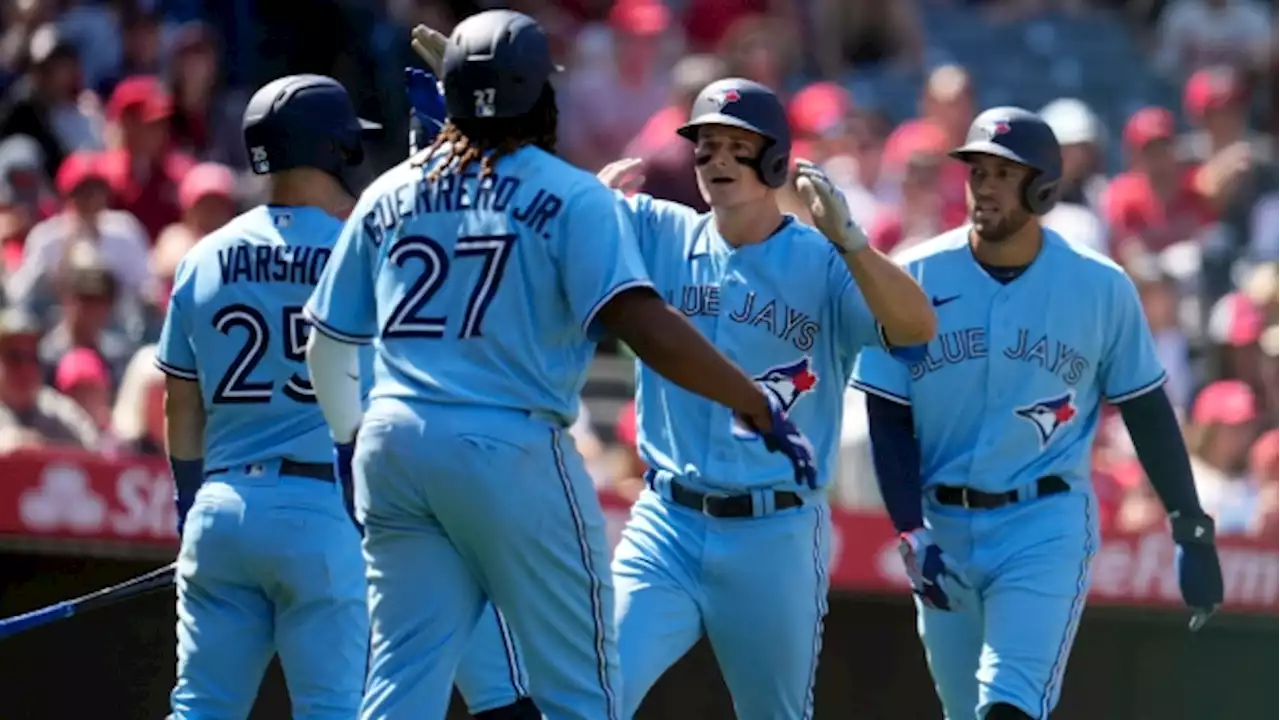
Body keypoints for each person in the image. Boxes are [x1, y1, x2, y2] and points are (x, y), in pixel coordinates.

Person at [303, 11, 815, 720]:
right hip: (508, 448)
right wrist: (751, 401)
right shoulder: (573, 193)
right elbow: (641, 323)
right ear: (543, 96)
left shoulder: (394, 188)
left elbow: (326, 342)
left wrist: (346, 445)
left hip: (392, 443)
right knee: (580, 693)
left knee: (401, 682)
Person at [154, 72, 533, 720]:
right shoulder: (366, 247)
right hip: (325, 514)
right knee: (333, 709)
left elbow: (180, 404)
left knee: (199, 710)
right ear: (337, 149)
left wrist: (192, 502)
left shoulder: (204, 255)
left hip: (221, 509)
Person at [852, 107, 1225, 720]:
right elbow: (887, 411)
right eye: (979, 171)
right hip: (943, 520)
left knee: (1009, 705)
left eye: (1005, 174)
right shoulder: (914, 273)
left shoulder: (1100, 286)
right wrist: (908, 526)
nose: (986, 187)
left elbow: (1146, 408)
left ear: (1044, 188)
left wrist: (1191, 525)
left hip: (1043, 522)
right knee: (966, 710)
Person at [591, 78, 936, 718]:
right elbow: (551, 225)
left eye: (736, 145)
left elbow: (917, 327)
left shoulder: (825, 260)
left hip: (773, 531)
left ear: (775, 159)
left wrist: (854, 242)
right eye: (707, 145)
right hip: (666, 521)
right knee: (590, 694)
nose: (718, 159)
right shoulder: (662, 230)